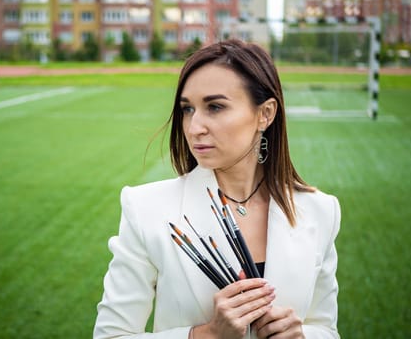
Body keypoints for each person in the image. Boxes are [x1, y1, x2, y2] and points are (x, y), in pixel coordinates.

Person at [93, 39, 340, 339]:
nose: (194, 126)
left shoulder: (320, 211)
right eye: (187, 109)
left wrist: (302, 336)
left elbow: (326, 329)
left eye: (215, 107)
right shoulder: (145, 209)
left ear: (266, 114)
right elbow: (110, 335)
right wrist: (206, 335)